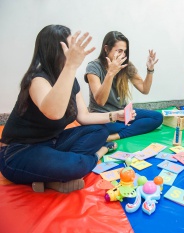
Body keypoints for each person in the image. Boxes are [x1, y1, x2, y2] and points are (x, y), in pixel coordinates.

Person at [0, 25, 135, 193]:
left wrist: (115, 115)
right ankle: (97, 154)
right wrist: (70, 66)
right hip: (19, 151)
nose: (76, 52)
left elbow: (84, 117)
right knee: (74, 166)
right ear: (56, 49)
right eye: (71, 47)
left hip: (52, 142)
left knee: (100, 131)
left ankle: (50, 177)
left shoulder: (70, 78)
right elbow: (54, 113)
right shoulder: (37, 79)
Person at [85, 31, 163, 142]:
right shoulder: (93, 67)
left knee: (157, 117)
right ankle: (126, 130)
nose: (123, 55)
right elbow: (100, 101)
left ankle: (116, 136)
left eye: (125, 52)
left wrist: (150, 70)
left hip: (123, 113)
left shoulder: (126, 64)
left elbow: (144, 89)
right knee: (109, 127)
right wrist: (110, 73)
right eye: (119, 51)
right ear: (106, 49)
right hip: (103, 116)